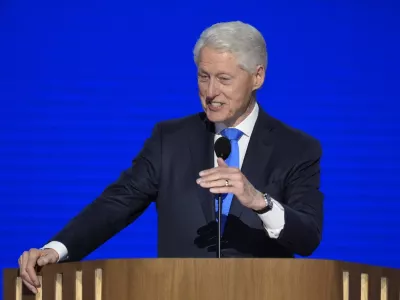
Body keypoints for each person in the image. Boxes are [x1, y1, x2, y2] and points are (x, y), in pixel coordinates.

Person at [18, 21, 323, 294]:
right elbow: (118, 202)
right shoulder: (171, 139)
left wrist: (259, 200)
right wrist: (56, 250)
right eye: (204, 77)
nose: (211, 91)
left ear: (257, 77)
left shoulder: (296, 148)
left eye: (224, 79)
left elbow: (308, 237)